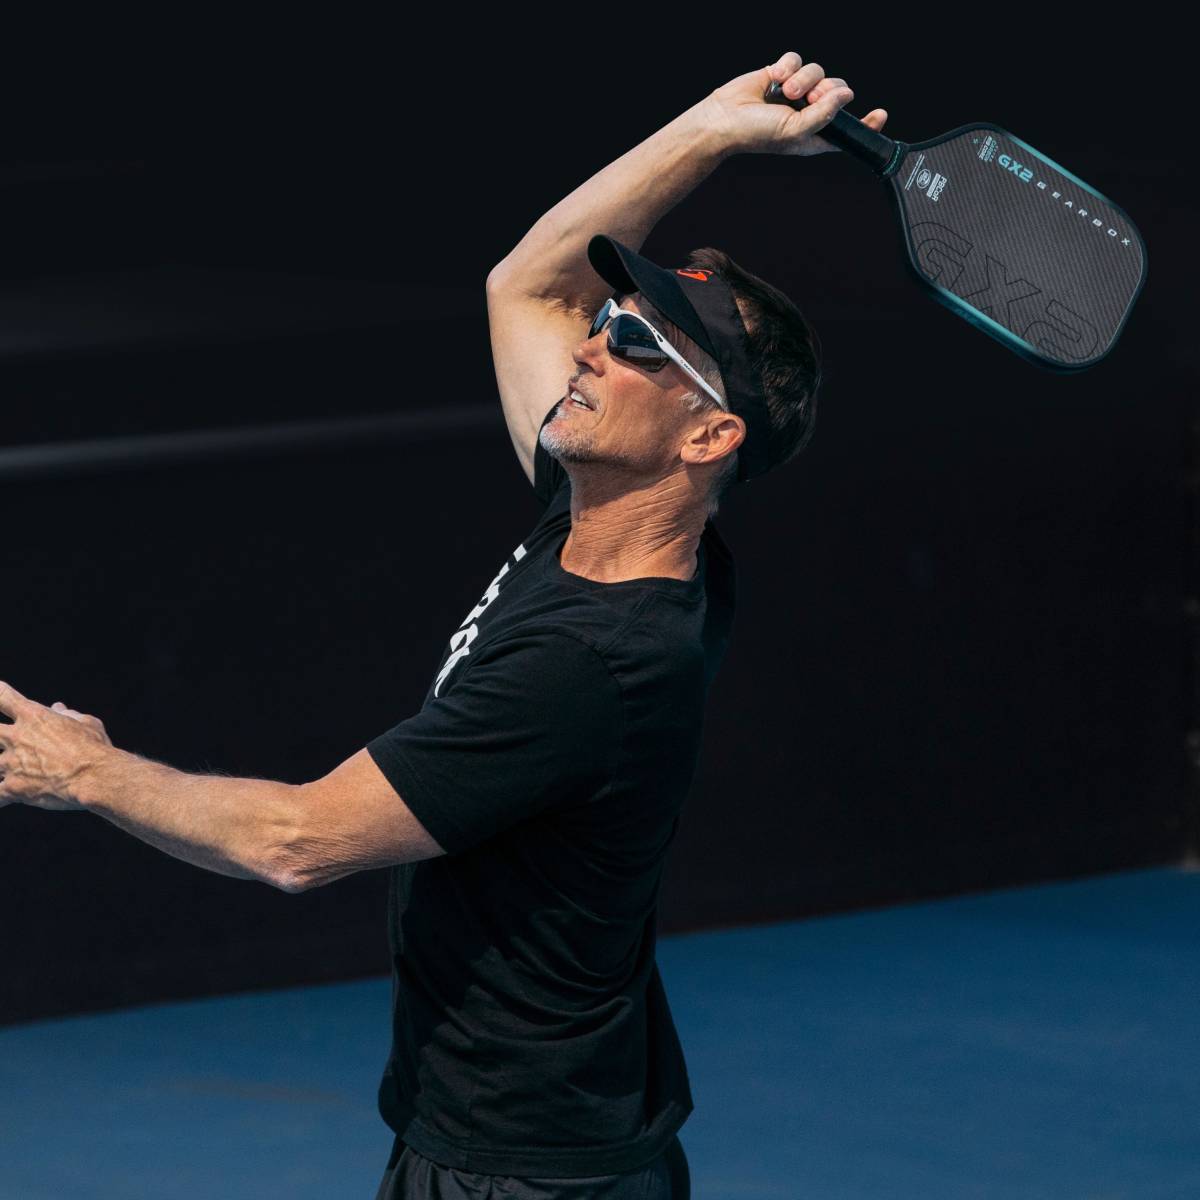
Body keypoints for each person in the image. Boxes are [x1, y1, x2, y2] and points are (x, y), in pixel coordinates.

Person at [0, 51, 887, 1199]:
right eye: (610, 320)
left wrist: (84, 770)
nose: (589, 346)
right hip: (530, 1138)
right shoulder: (612, 525)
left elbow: (295, 841)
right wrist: (713, 128)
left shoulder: (588, 665)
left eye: (634, 347)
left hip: (526, 1173)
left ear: (709, 437)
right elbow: (526, 286)